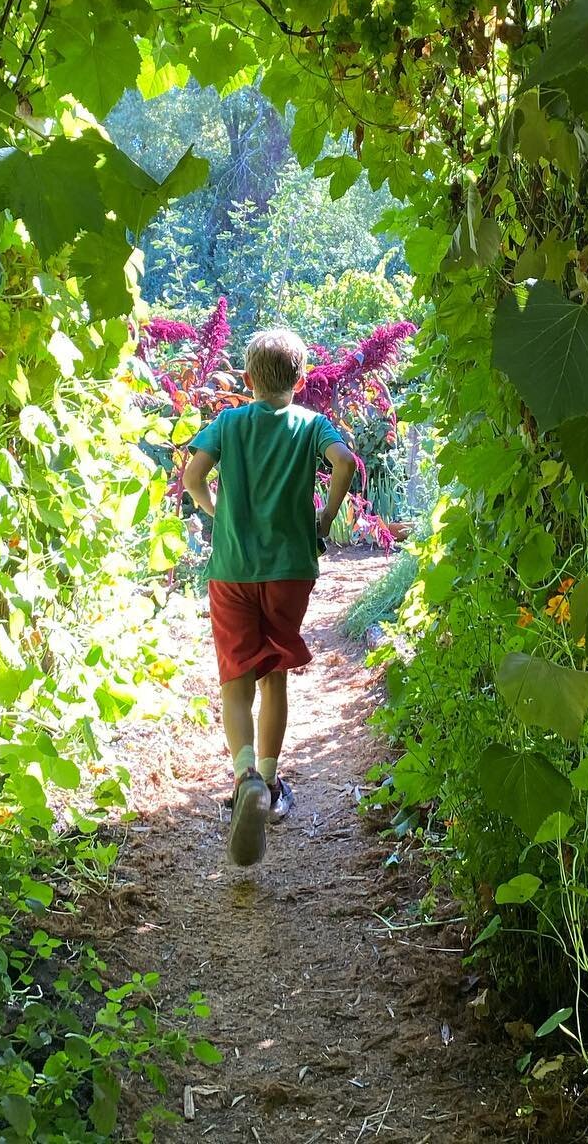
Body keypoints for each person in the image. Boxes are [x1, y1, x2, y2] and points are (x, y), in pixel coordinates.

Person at [181, 326, 356, 868]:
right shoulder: (311, 424)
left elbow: (192, 476)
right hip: (289, 571)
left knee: (235, 679)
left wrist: (216, 514)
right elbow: (346, 463)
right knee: (273, 674)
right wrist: (324, 515)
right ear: (301, 381)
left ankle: (244, 779)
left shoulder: (229, 423)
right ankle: (273, 779)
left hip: (231, 569)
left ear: (249, 378)